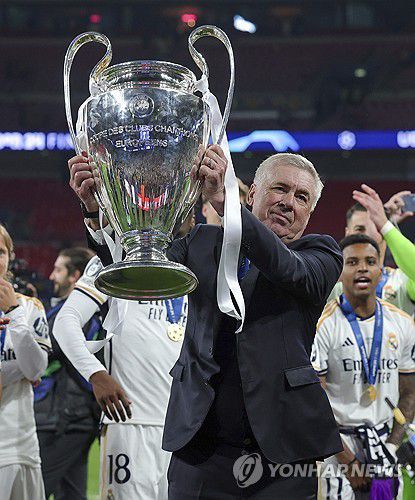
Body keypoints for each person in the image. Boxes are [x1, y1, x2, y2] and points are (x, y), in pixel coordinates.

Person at [69, 146, 344, 498]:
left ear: (309, 212)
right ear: (252, 194)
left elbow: (286, 269)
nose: (289, 202)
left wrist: (228, 207)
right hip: (201, 445)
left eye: (302, 197)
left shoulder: (320, 254)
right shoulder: (200, 241)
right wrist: (96, 212)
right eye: (280, 188)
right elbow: (136, 267)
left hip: (283, 454)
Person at [53, 254, 187, 499]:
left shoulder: (192, 257)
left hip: (185, 428)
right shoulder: (113, 256)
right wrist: (96, 373)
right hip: (130, 422)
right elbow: (65, 321)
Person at [312, 234, 415, 499]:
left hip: (384, 445)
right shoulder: (324, 326)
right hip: (340, 449)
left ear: (381, 270)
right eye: (352, 262)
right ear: (339, 272)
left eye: (370, 261)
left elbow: (409, 392)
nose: (362, 268)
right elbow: (314, 403)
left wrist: (392, 446)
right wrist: (348, 460)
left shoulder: (402, 323)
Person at [34, 246, 102, 500]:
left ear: (75, 276)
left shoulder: (77, 315)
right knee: (71, 493)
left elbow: (48, 347)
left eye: (58, 270)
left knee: (33, 489)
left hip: (66, 417)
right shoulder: (62, 310)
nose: (52, 276)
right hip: (69, 416)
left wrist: (23, 314)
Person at [0, 223, 50, 500]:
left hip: (18, 445)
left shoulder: (29, 308)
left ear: (10, 257)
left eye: (0, 252)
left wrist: (13, 313)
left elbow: (35, 368)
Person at [329, 185, 415, 314]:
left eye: (377, 227)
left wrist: (386, 224)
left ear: (385, 232)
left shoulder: (401, 281)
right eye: (359, 229)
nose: (367, 235)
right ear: (347, 233)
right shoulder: (335, 281)